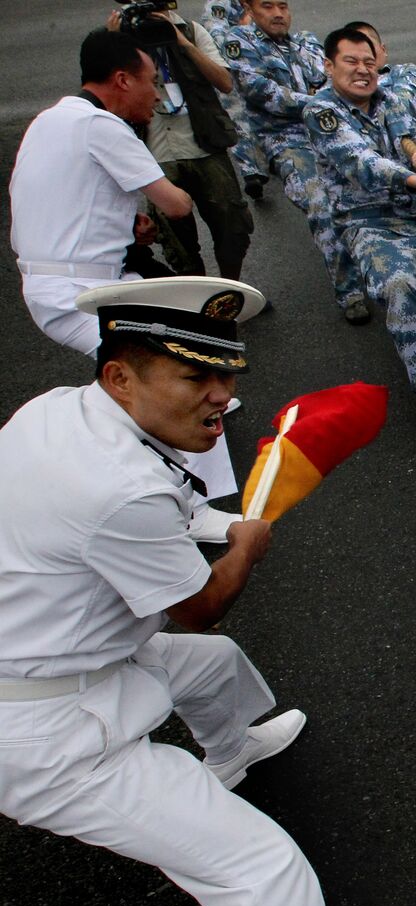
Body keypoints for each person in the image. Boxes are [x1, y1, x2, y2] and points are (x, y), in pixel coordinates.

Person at [0, 277, 329, 906]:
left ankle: (231, 753)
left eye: (223, 374)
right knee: (267, 881)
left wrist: (218, 525)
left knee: (213, 671)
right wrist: (249, 542)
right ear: (119, 375)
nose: (219, 395)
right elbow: (202, 604)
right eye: (193, 376)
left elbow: (160, 513)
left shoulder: (59, 412)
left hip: (47, 650)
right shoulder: (115, 487)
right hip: (49, 733)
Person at [9, 27, 239, 540]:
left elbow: (62, 200)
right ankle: (192, 507)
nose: (156, 94)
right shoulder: (102, 126)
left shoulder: (50, 120)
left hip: (71, 283)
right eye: (150, 81)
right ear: (121, 80)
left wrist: (121, 224)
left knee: (179, 349)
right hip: (82, 294)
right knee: (182, 372)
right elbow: (176, 202)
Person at [304, 28, 416, 431]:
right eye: (351, 63)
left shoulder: (393, 100)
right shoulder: (321, 111)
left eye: (369, 63)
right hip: (371, 222)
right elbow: (360, 161)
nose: (362, 71)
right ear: (328, 66)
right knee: (397, 286)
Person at [223, 0, 369, 323]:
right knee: (320, 201)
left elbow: (332, 79)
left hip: (329, 129)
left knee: (370, 185)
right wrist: (321, 99)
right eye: (267, 6)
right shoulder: (239, 42)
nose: (278, 13)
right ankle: (350, 291)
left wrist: (328, 95)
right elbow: (264, 94)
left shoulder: (307, 42)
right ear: (250, 8)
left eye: (283, 5)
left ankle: (374, 262)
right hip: (287, 141)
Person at [107, 3, 254, 280]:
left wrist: (182, 41)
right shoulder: (123, 38)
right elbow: (108, 94)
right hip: (157, 152)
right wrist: (115, 43)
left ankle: (229, 290)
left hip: (204, 145)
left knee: (232, 225)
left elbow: (224, 82)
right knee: (175, 240)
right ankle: (197, 297)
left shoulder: (191, 30)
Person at [200, 0, 272, 200]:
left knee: (265, 113)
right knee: (238, 117)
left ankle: (268, 157)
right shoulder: (219, 5)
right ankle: (252, 172)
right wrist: (245, 29)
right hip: (231, 67)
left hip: (261, 64)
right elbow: (217, 34)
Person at [343, 20, 416, 123]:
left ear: (383, 50)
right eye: (353, 51)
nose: (362, 53)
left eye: (368, 45)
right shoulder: (335, 87)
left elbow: (405, 109)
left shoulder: (404, 73)